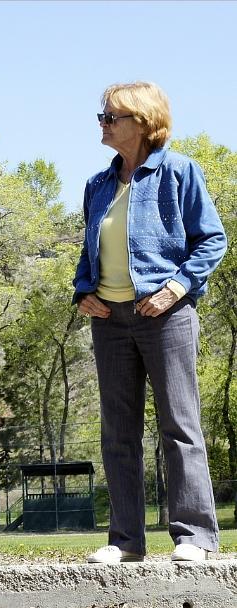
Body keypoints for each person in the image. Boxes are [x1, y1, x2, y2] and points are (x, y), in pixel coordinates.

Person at [73, 82, 227, 563]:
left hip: (166, 316)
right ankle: (125, 541)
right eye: (102, 116)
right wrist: (83, 291)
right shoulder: (97, 184)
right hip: (109, 320)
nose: (102, 123)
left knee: (179, 425)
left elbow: (212, 239)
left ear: (142, 122)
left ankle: (194, 536)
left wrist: (175, 289)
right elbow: (89, 249)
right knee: (118, 431)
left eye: (111, 116)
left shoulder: (179, 171)